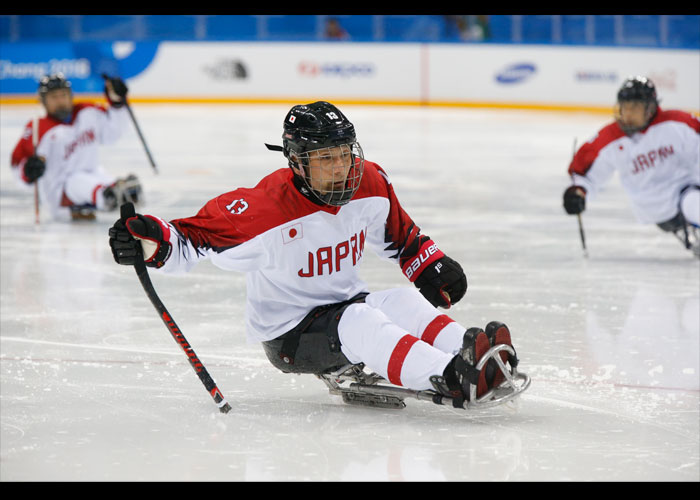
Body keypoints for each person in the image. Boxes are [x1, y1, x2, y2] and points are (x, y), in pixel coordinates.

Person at [108, 101, 520, 409]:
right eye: (325, 158)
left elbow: (401, 235)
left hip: (345, 303)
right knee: (361, 320)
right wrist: (147, 241)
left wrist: (429, 264)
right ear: (297, 161)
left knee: (400, 300)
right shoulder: (262, 210)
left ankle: (479, 360)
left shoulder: (370, 182)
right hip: (290, 333)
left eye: (344, 153)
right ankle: (450, 375)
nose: (340, 167)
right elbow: (188, 239)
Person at [563, 76, 700, 256]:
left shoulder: (678, 123)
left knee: (692, 200)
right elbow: (584, 174)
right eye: (624, 107)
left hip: (686, 191)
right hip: (656, 208)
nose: (627, 114)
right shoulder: (609, 138)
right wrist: (577, 193)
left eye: (634, 108)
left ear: (650, 108)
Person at [10, 72, 142, 221]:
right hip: (59, 192)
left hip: (92, 175)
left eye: (63, 95)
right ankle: (106, 196)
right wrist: (27, 171)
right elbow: (17, 165)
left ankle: (112, 191)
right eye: (54, 97)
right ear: (43, 101)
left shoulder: (87, 112)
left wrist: (117, 103)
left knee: (99, 177)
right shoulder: (37, 128)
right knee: (76, 180)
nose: (60, 101)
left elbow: (113, 133)